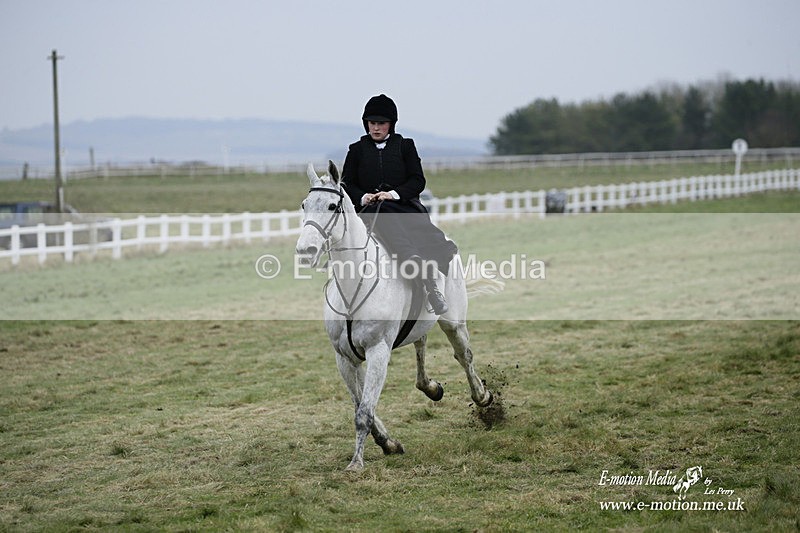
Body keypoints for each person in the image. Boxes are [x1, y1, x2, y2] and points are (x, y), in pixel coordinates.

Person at [341, 94, 457, 315]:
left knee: (388, 215)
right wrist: (365, 196)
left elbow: (417, 180)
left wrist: (392, 194)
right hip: (367, 210)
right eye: (372, 123)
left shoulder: (405, 146)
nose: (376, 128)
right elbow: (347, 184)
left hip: (402, 208)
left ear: (391, 125)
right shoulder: (356, 150)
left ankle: (430, 287)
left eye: (381, 124)